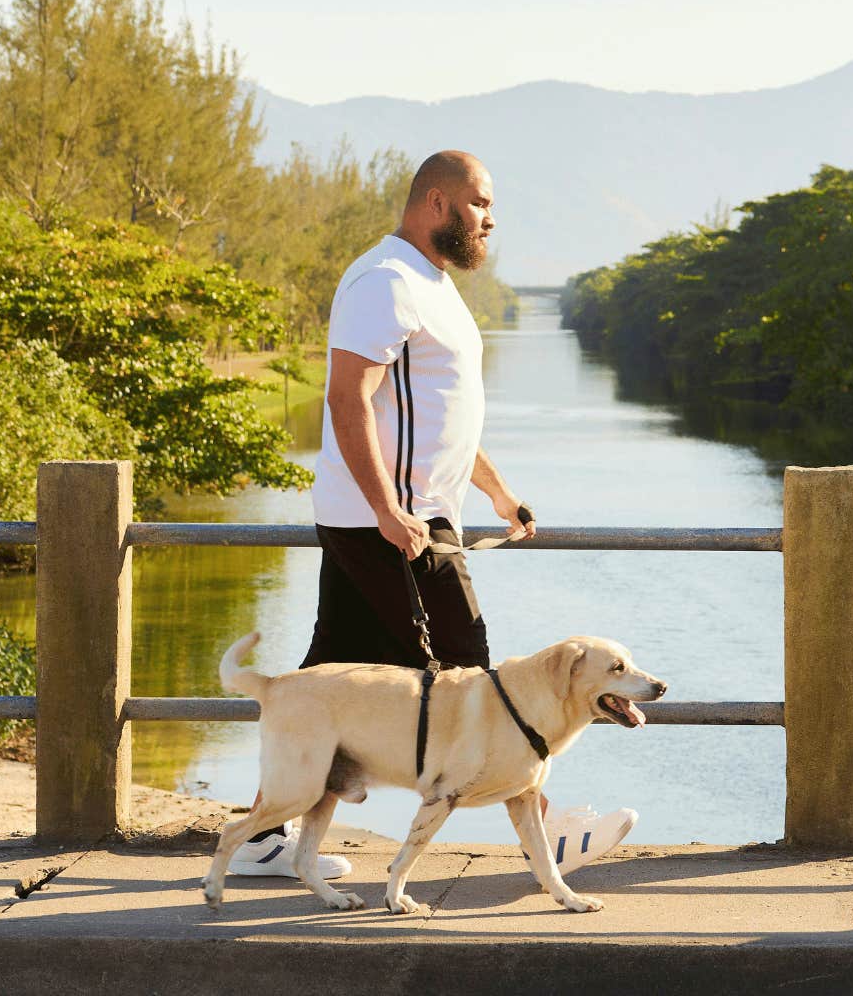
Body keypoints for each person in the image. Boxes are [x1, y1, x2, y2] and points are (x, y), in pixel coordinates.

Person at [230, 150, 636, 879]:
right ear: (439, 204)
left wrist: (497, 492)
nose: (491, 219)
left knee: (327, 674)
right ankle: (546, 835)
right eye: (480, 204)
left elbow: (446, 417)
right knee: (476, 676)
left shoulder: (435, 287)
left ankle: (263, 837)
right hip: (395, 523)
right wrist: (388, 508)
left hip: (402, 515)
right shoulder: (384, 281)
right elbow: (347, 398)